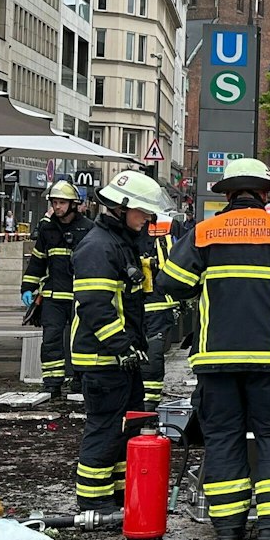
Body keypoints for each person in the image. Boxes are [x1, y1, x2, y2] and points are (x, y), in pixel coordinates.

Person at [159, 158, 270, 540]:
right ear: (264, 194)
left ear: (227, 194)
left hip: (215, 362)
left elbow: (170, 283)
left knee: (223, 438)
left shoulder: (204, 232)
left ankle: (227, 526)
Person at [70, 170, 170, 513]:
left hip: (119, 359)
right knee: (106, 427)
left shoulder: (119, 244)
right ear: (121, 208)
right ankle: (93, 501)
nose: (145, 219)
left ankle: (118, 496)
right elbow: (97, 307)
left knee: (125, 429)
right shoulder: (99, 247)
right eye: (141, 212)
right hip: (103, 359)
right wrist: (122, 347)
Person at [23, 181, 96, 399]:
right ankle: (52, 383)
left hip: (79, 295)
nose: (57, 207)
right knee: (52, 339)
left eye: (62, 203)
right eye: (55, 203)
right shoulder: (47, 228)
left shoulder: (89, 228)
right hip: (53, 295)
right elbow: (38, 261)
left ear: (73, 204)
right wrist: (28, 286)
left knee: (81, 339)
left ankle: (80, 379)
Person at [139, 207, 181, 408]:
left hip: (156, 299)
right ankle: (148, 400)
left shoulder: (168, 225)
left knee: (152, 350)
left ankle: (149, 400)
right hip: (148, 300)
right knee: (148, 350)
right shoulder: (168, 224)